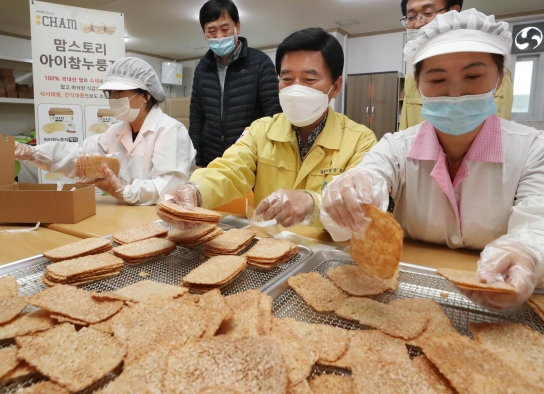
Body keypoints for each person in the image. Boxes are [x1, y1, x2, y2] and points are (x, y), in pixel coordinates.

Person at [321, 9, 544, 311]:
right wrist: (351, 193)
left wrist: (528, 253)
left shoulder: (538, 150)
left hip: (504, 297)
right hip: (411, 296)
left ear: (499, 79)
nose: (455, 93)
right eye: (437, 79)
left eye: (473, 76)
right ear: (418, 85)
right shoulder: (397, 146)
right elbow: (369, 178)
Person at [158, 27, 377, 229]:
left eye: (309, 79)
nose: (295, 89)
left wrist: (313, 203)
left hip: (326, 252)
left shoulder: (360, 141)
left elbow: (362, 203)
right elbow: (228, 171)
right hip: (269, 248)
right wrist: (194, 191)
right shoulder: (260, 131)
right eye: (287, 79)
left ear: (335, 86)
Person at [14, 57, 196, 206]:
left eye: (120, 92)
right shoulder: (115, 132)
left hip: (160, 219)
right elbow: (79, 157)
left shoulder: (170, 130)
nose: (114, 98)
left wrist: (123, 191)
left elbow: (170, 186)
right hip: (124, 214)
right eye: (110, 93)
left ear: (146, 95)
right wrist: (33, 153)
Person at [190, 0, 281, 167]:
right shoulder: (202, 68)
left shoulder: (260, 63)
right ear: (204, 32)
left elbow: (273, 115)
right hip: (212, 159)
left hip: (250, 158)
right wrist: (197, 159)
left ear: (237, 27)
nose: (219, 36)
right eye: (211, 30)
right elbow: (197, 118)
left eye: (225, 29)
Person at [399, 0, 514, 129]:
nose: (418, 23)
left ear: (454, 10)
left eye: (427, 13)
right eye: (411, 17)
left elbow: (496, 126)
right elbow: (407, 120)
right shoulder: (413, 73)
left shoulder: (487, 67)